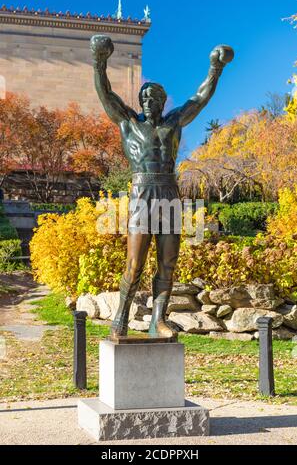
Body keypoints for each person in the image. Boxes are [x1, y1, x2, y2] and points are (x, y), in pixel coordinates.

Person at [91, 35, 234, 338]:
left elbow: (200, 98)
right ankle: (121, 318)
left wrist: (215, 68)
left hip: (169, 191)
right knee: (135, 262)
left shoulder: (174, 122)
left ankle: (159, 319)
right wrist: (99, 61)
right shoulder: (128, 122)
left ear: (163, 101)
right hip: (142, 192)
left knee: (168, 260)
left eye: (153, 97)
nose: (147, 102)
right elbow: (106, 94)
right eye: (144, 97)